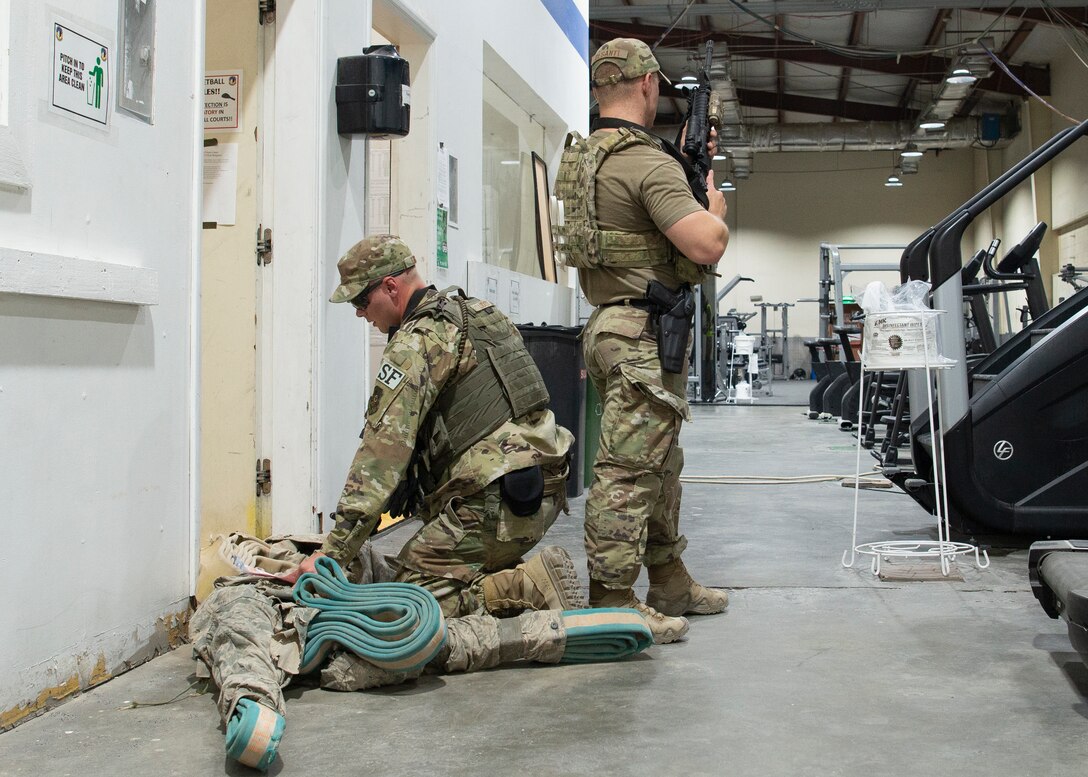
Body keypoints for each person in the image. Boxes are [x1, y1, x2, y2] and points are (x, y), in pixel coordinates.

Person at [303, 233, 581, 619]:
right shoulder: (481, 312)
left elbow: (379, 461)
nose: (359, 313)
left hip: (494, 506)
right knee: (421, 567)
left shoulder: (415, 344)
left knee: (404, 606)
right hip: (544, 488)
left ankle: (523, 585)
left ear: (390, 287)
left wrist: (329, 555)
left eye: (361, 301)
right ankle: (492, 572)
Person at [554, 38, 731, 644]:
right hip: (640, 335)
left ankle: (669, 578)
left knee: (659, 462)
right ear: (649, 86)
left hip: (613, 323)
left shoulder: (587, 158)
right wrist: (713, 207)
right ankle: (610, 600)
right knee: (628, 473)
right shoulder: (646, 163)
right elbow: (704, 244)